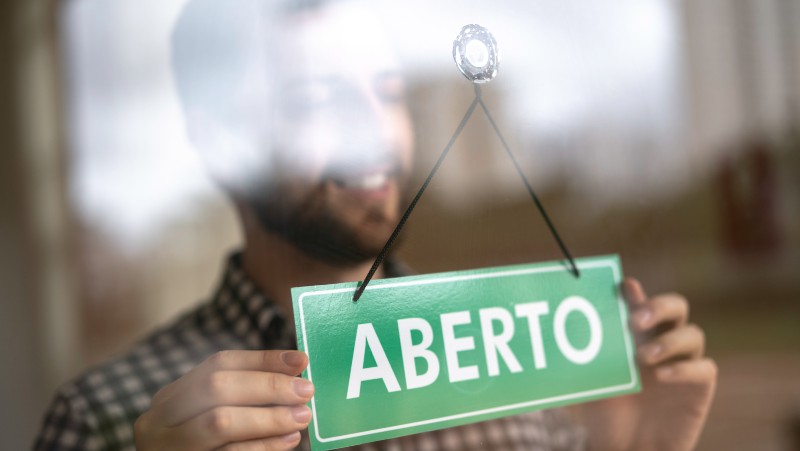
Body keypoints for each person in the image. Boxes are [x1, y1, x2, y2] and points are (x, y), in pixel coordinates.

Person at [34, 0, 717, 449]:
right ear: (222, 145)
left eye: (388, 92)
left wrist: (641, 445)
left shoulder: (518, 368)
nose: (377, 134)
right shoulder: (102, 419)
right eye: (316, 98)